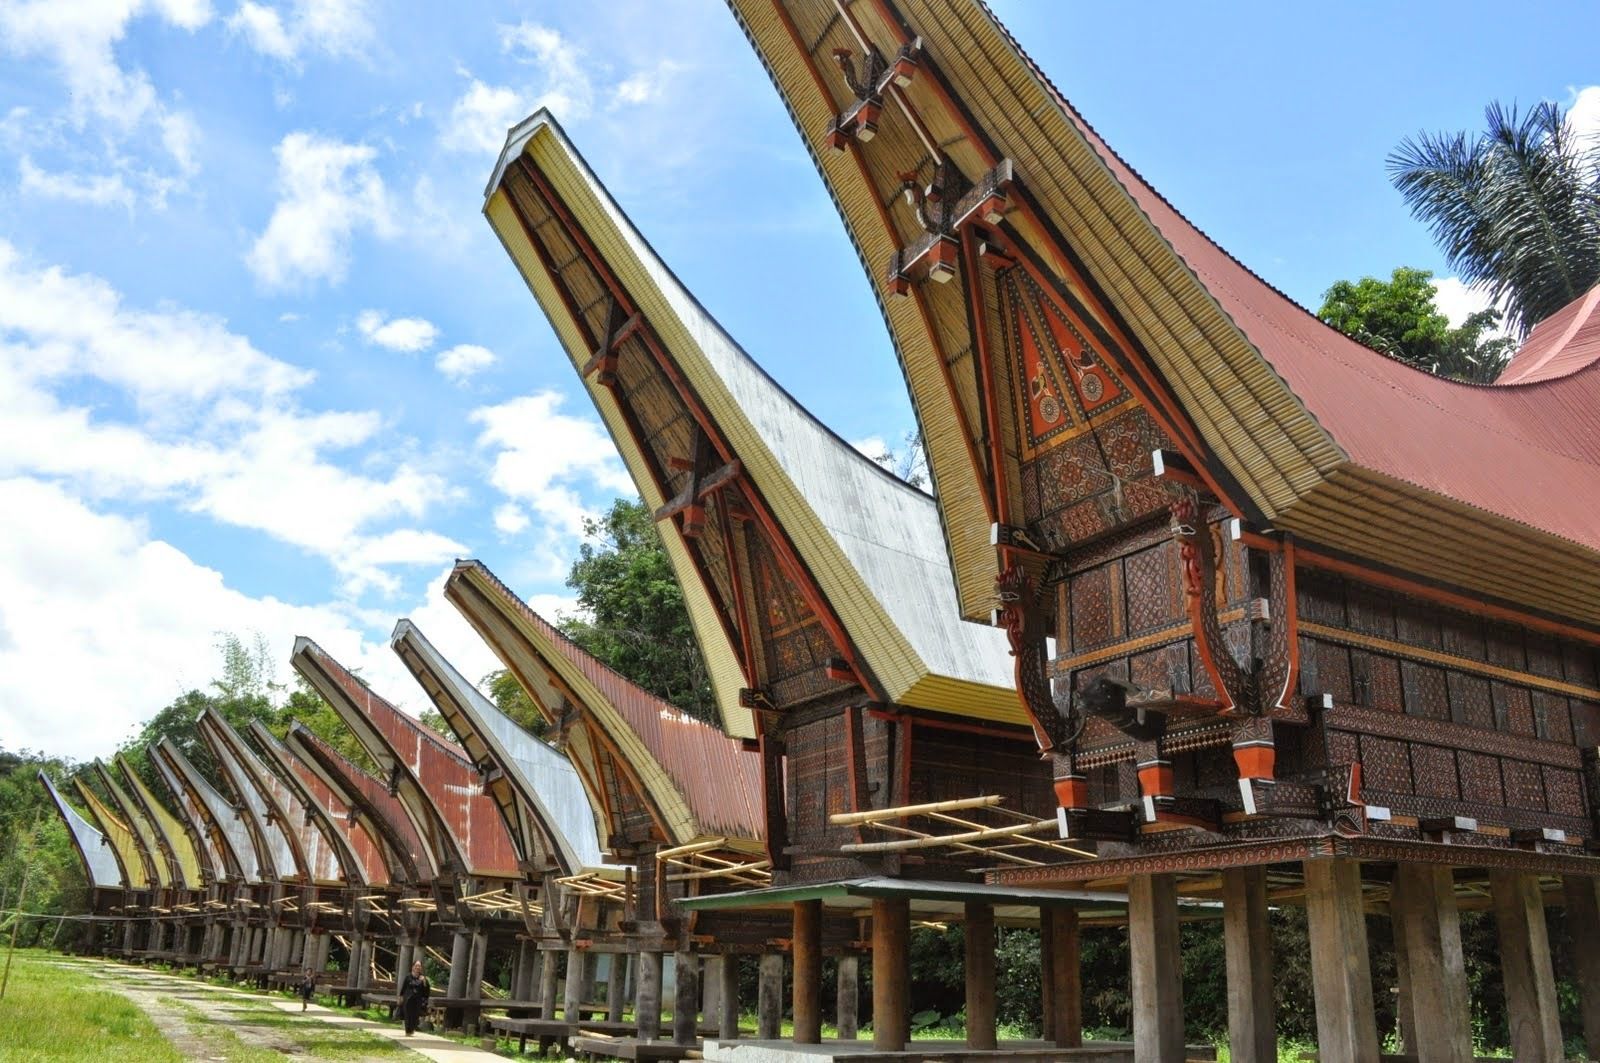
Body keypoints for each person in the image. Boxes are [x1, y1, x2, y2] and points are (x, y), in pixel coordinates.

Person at [399, 960, 430, 1037]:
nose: (417, 967)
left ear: (421, 968)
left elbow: (426, 990)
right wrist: (401, 997)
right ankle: (408, 1030)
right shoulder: (408, 977)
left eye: (419, 966)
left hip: (417, 1000)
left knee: (415, 1015)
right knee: (408, 1015)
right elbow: (403, 988)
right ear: (413, 967)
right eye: (416, 965)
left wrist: (424, 982)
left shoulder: (423, 978)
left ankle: (412, 1029)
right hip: (408, 999)